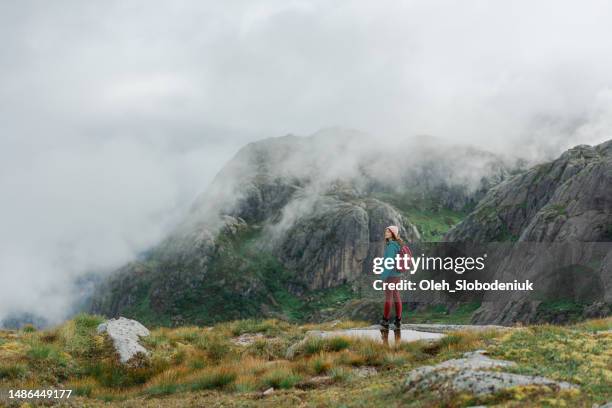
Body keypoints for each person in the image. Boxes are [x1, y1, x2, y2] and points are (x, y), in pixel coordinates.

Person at [380, 225, 403, 330]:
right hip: (397, 275)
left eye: (388, 232)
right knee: (396, 295)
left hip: (391, 275)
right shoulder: (397, 245)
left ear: (393, 234)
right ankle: (398, 320)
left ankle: (385, 320)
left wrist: (383, 276)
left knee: (388, 298)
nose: (386, 233)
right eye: (386, 231)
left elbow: (389, 263)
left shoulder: (391, 246)